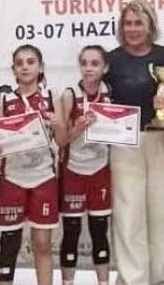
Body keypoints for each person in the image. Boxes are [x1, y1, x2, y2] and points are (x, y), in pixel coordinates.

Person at [103, 0, 164, 285]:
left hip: (162, 138)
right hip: (125, 142)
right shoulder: (112, 59)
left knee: (162, 210)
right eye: (128, 23)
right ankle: (133, 278)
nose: (133, 28)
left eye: (139, 22)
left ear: (150, 25)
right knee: (128, 212)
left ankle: (163, 277)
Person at [0, 45, 62, 285]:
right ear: (13, 69)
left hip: (43, 178)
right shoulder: (5, 100)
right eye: (19, 63)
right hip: (13, 178)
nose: (25, 67)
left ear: (40, 68)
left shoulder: (52, 97)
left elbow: (62, 140)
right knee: (9, 243)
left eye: (30, 62)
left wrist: (58, 124)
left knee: (42, 244)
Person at [55, 45, 114, 285]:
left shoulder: (110, 93)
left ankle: (103, 282)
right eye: (84, 63)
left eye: (95, 63)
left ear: (105, 68)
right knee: (71, 230)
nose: (89, 68)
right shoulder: (70, 95)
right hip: (74, 170)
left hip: (100, 169)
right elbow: (61, 140)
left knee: (100, 230)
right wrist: (77, 128)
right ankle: (67, 282)